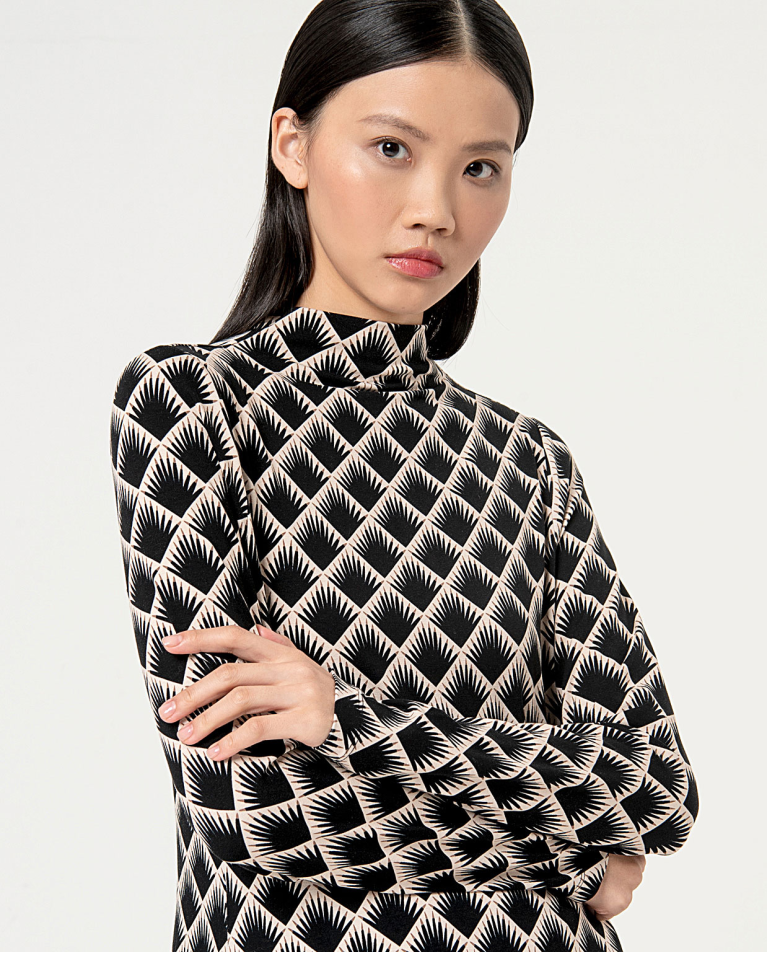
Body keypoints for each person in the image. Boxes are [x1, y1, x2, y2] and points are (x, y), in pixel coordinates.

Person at [109, 1, 699, 950]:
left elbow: (655, 790)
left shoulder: (530, 460)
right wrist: (576, 861)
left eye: (480, 167)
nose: (436, 209)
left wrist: (342, 718)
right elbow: (256, 813)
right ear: (292, 144)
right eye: (391, 148)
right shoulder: (192, 404)